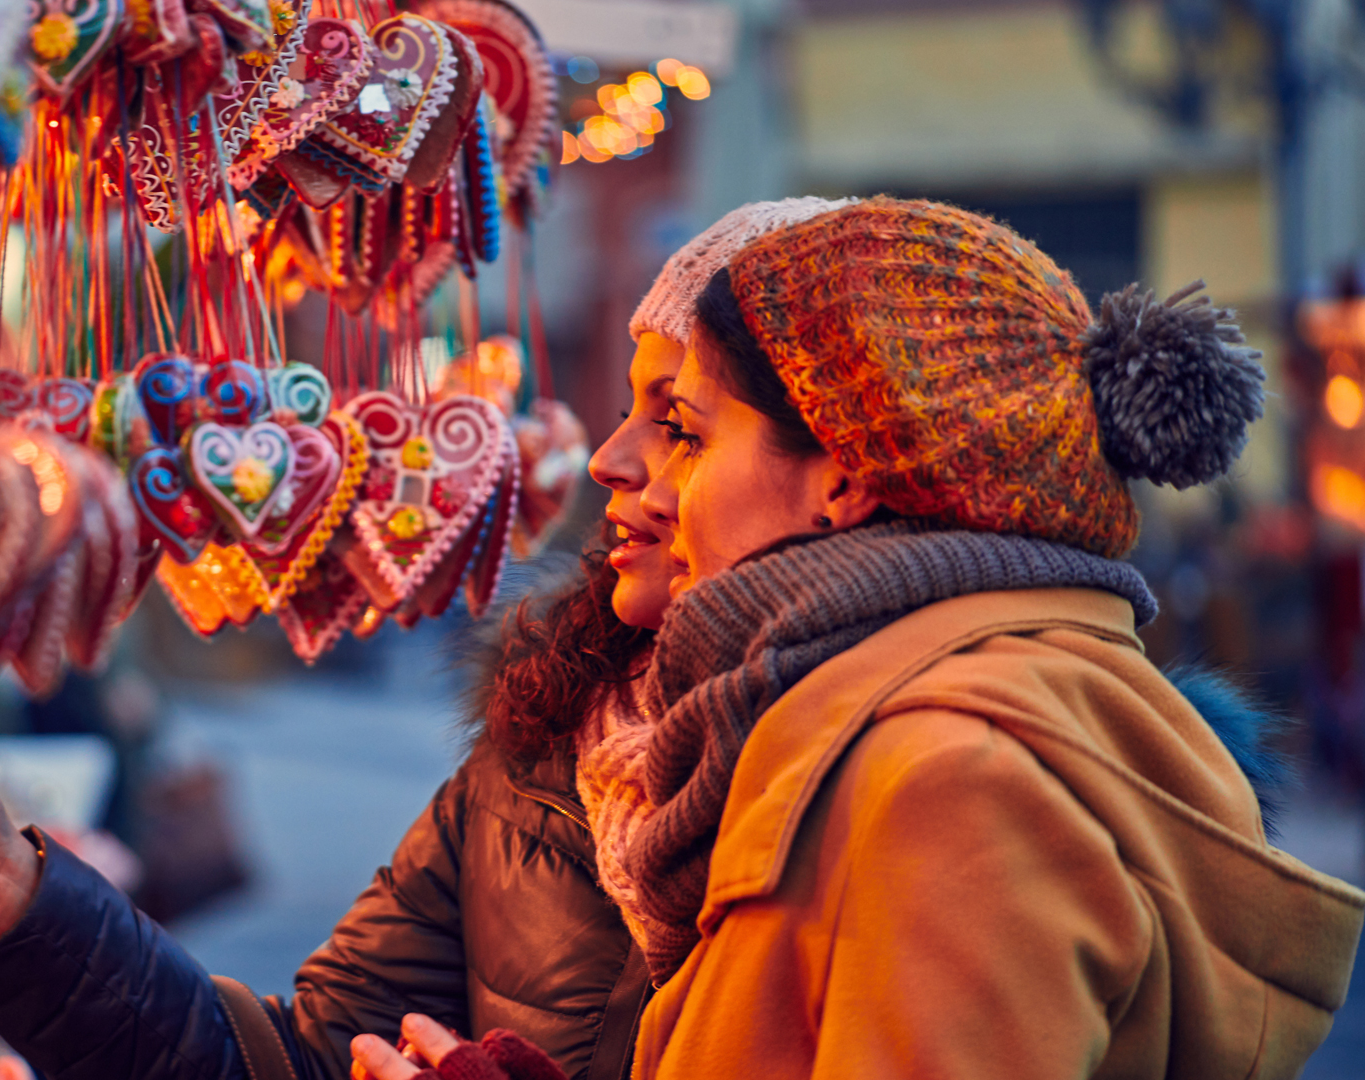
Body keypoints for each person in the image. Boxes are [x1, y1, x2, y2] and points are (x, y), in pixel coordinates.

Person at [0, 196, 857, 1080]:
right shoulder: (548, 747)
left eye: (680, 426)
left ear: (847, 480)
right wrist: (18, 898)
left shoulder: (925, 770)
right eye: (628, 410)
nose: (613, 461)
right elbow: (290, 1062)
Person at [351, 196, 1365, 1080]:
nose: (635, 471)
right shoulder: (832, 730)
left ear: (844, 476)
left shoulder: (949, 783)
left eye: (687, 431)